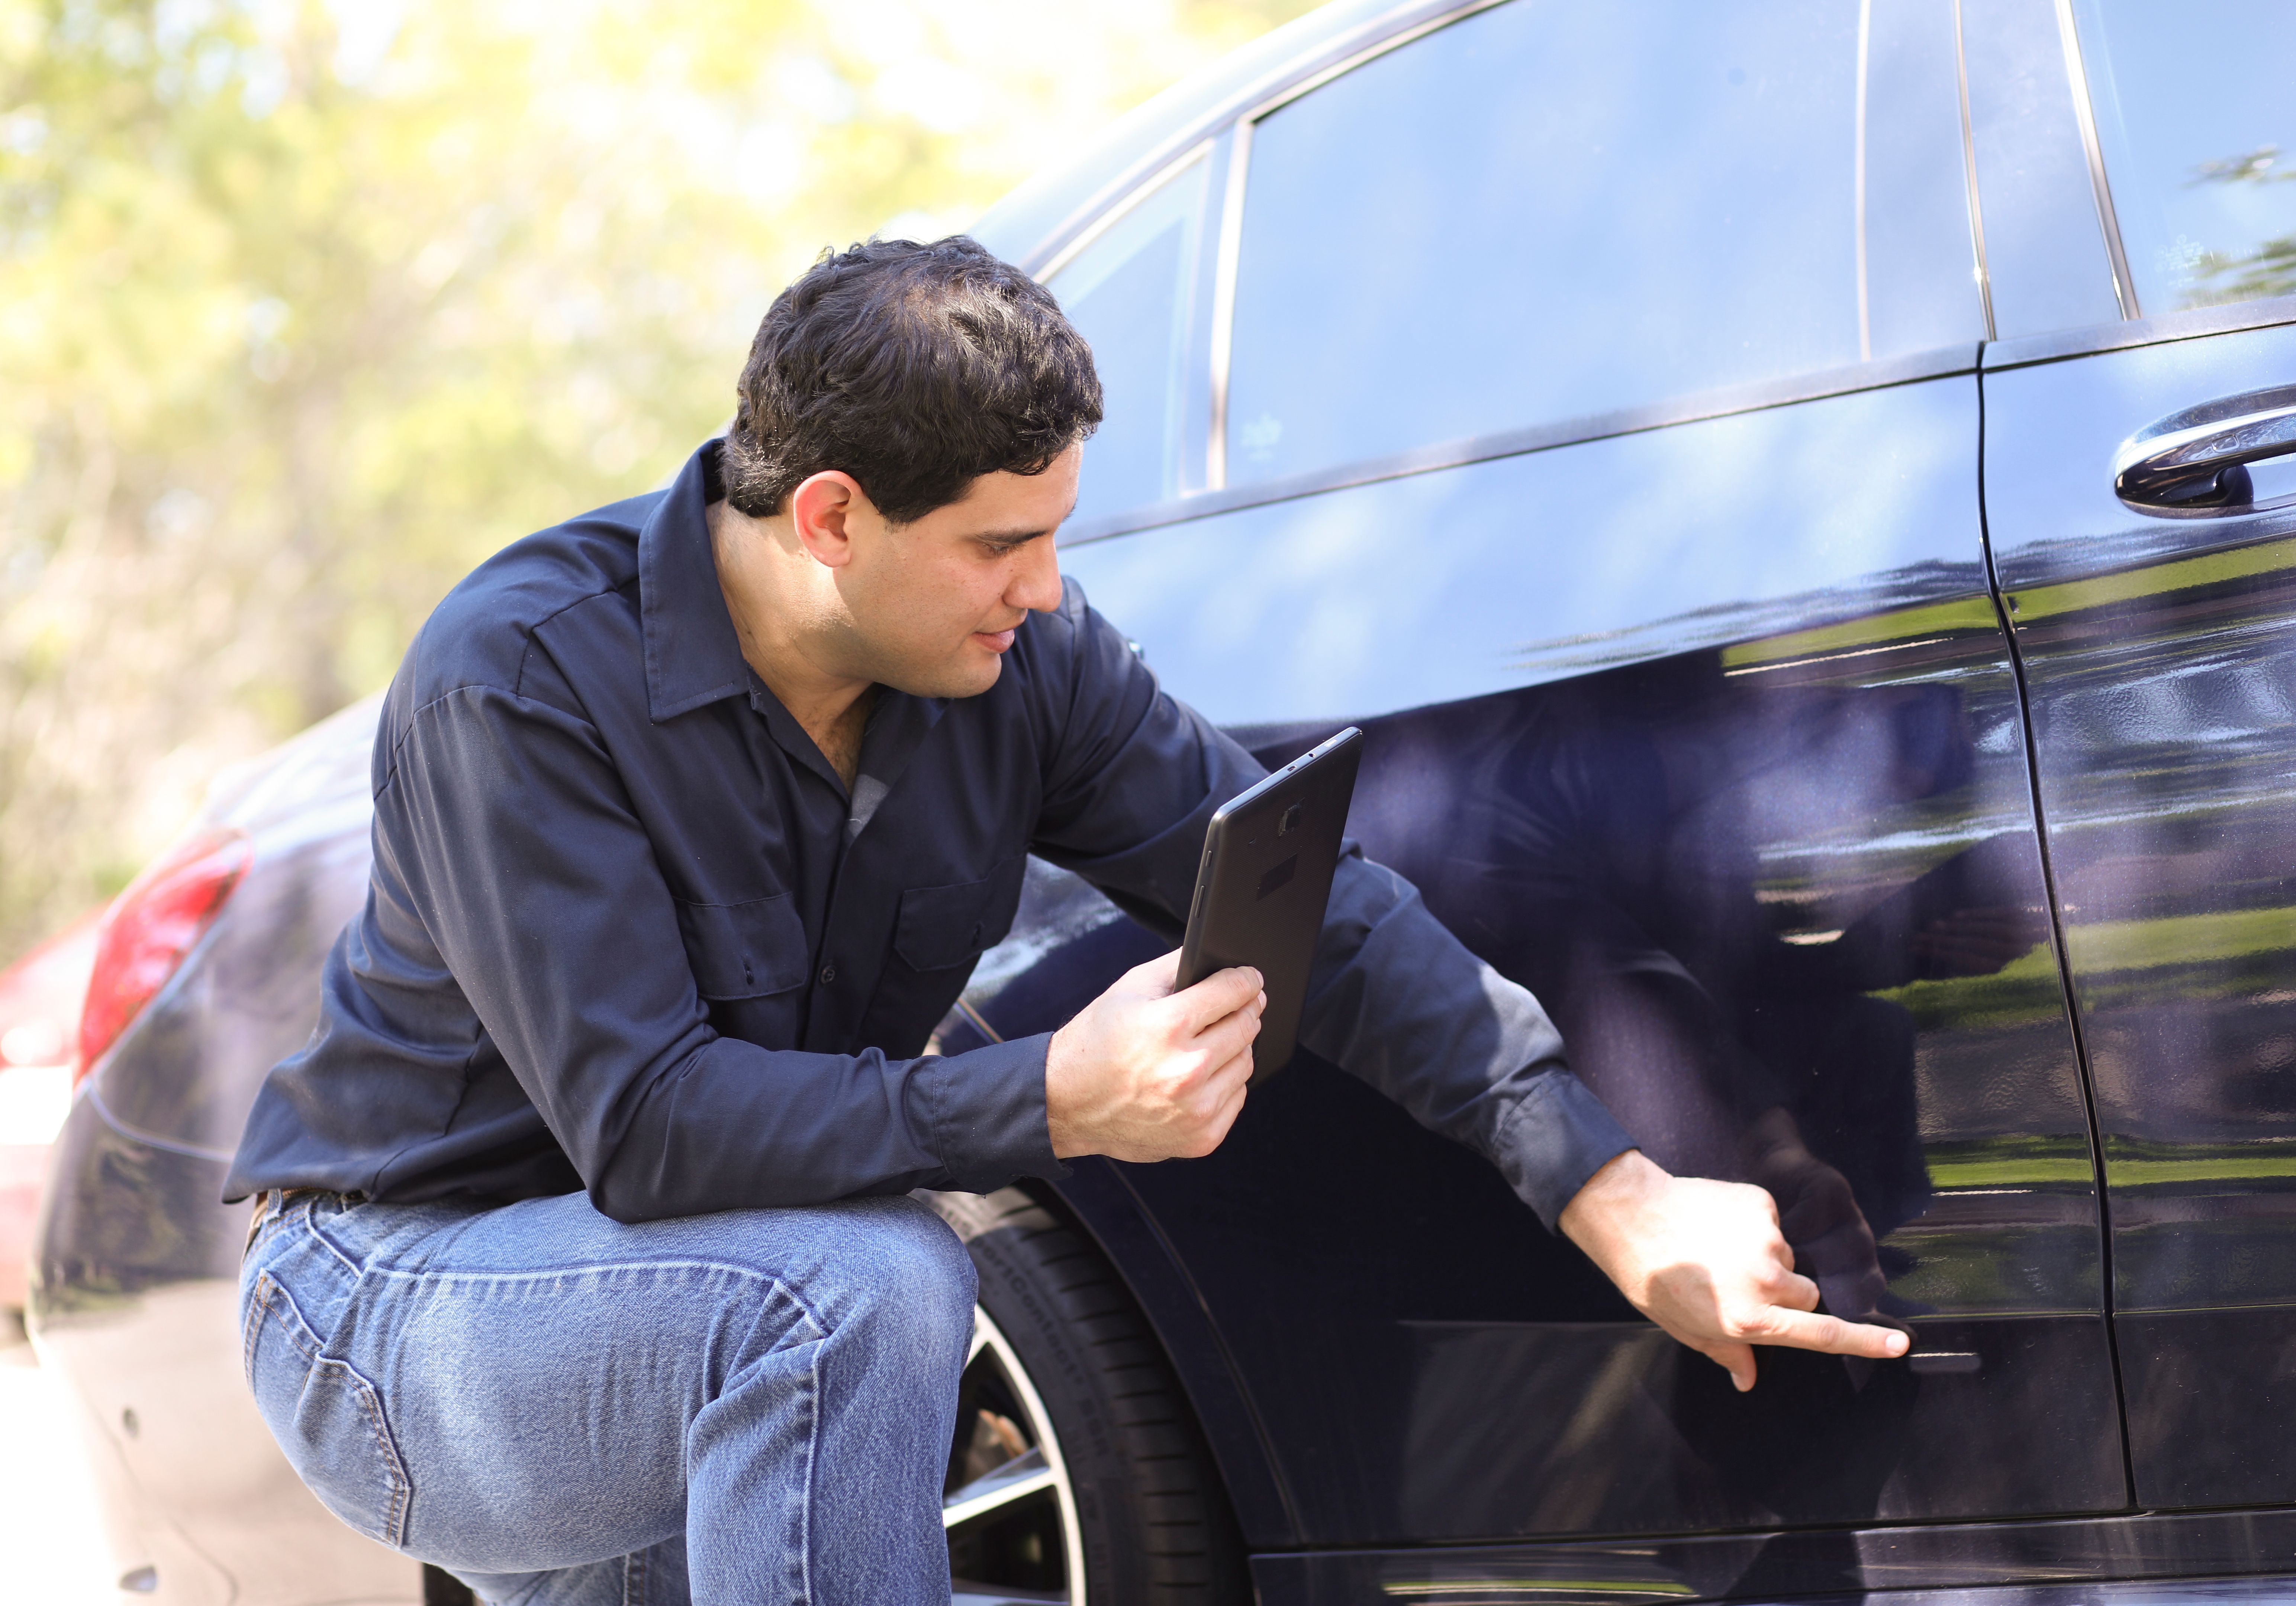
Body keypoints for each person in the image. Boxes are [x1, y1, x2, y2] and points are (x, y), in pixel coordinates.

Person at [223, 237, 1907, 1606]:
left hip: (695, 1310)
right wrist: (1051, 1096)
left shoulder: (1026, 667)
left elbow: (1324, 916)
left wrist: (1615, 1191)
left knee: (827, 1293)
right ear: (831, 518)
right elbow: (653, 1130)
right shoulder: (521, 678)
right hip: (400, 1307)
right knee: (860, 1286)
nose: (1041, 586)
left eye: (1055, 536)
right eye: (998, 544)